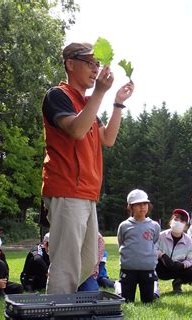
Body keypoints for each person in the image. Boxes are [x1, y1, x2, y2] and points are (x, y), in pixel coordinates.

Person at [42, 42, 135, 294]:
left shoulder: (87, 104)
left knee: (87, 260)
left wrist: (117, 103)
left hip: (86, 194)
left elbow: (108, 139)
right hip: (66, 190)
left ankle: (63, 302)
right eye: (90, 63)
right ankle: (56, 308)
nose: (96, 70)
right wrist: (100, 94)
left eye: (97, 64)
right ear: (70, 64)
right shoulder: (57, 96)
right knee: (66, 264)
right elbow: (76, 129)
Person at [117, 189, 160, 303]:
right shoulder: (124, 226)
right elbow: (121, 242)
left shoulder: (154, 226)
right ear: (131, 207)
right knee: (127, 300)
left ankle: (154, 291)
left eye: (145, 204)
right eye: (138, 204)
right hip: (128, 269)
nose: (143, 207)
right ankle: (118, 288)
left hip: (147, 269)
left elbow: (155, 241)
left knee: (148, 301)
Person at [157, 209, 192, 294]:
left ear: (186, 226)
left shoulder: (188, 240)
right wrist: (162, 255)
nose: (178, 222)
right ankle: (153, 287)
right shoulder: (161, 236)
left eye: (182, 221)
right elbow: (153, 249)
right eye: (176, 219)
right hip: (162, 267)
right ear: (170, 221)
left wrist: (183, 265)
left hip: (179, 268)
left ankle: (178, 282)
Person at [0, 226, 23, 296]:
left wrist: (4, 281)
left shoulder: (0, 253)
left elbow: (6, 271)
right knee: (0, 264)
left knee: (18, 288)